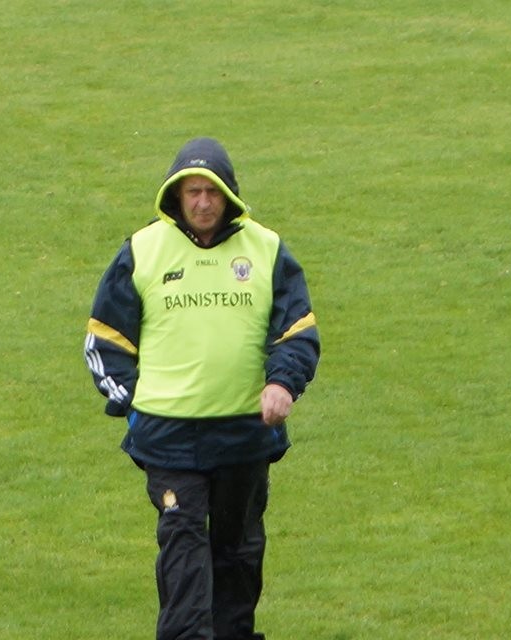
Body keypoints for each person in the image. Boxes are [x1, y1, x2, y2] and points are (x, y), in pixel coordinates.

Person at [83, 137, 320, 640]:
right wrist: (133, 407)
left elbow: (297, 331)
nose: (203, 203)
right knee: (184, 546)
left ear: (228, 195)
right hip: (169, 442)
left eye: (211, 192)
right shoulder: (142, 251)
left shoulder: (266, 249)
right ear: (176, 196)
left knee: (237, 554)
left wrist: (283, 384)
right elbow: (105, 339)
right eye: (192, 192)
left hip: (245, 438)